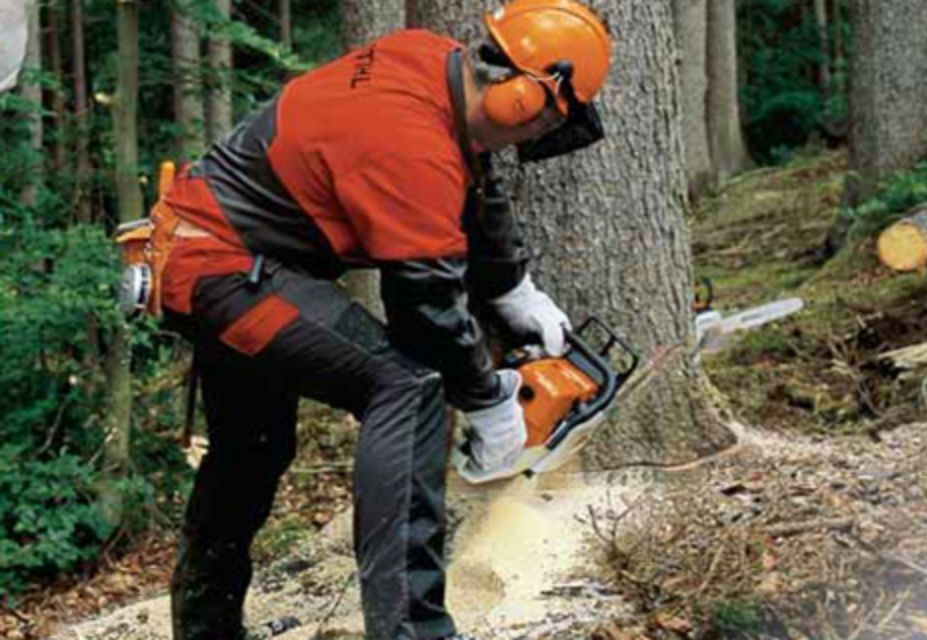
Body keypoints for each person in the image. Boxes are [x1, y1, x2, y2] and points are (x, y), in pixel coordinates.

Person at [158, 1, 612, 638]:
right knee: (409, 386)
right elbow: (425, 306)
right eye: (542, 124)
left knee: (253, 449)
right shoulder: (408, 143)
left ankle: (206, 629)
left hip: (214, 255)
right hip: (222, 270)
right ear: (519, 98)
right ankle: (411, 630)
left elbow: (472, 184)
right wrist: (487, 402)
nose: (532, 138)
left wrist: (513, 286)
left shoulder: (426, 62)